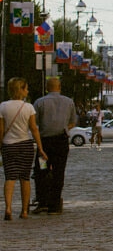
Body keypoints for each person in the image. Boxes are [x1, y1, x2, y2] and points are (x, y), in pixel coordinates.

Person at [1, 77, 46, 220]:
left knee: (10, 177)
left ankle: (8, 208)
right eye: (26, 88)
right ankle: (24, 211)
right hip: (25, 144)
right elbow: (33, 129)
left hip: (8, 145)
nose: (28, 91)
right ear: (20, 89)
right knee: (25, 178)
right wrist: (40, 148)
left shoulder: (3, 106)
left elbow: (1, 129)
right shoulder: (28, 107)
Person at [31, 76, 76, 214]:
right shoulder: (69, 102)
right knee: (58, 171)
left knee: (41, 170)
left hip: (44, 144)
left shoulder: (40, 102)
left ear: (47, 88)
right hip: (61, 142)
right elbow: (73, 122)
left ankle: (43, 201)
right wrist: (64, 127)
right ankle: (55, 204)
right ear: (60, 87)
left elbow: (34, 123)